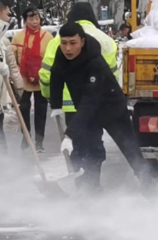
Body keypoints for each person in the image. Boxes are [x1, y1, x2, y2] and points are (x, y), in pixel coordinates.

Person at [50, 23, 151, 193]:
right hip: (88, 110)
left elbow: (91, 100)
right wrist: (56, 105)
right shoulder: (62, 54)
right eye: (64, 42)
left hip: (112, 110)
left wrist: (70, 133)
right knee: (90, 150)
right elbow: (56, 76)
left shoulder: (95, 62)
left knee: (130, 149)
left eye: (73, 43)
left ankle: (150, 188)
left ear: (82, 41)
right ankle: (91, 190)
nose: (68, 48)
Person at [39, 2, 119, 126]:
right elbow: (113, 74)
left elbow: (46, 72)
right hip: (97, 101)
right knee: (94, 139)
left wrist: (50, 95)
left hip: (70, 103)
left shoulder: (60, 40)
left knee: (75, 139)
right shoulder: (107, 40)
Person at [12, 8, 53, 152]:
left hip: (41, 79)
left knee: (41, 111)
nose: (35, 22)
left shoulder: (47, 37)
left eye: (37, 18)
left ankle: (39, 140)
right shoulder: (18, 37)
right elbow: (13, 58)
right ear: (25, 21)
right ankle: (26, 136)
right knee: (23, 109)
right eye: (31, 19)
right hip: (23, 80)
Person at [0, 0, 23, 152]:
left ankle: (3, 173)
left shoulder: (2, 41)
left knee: (0, 144)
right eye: (7, 14)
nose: (9, 18)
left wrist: (20, 89)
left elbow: (12, 67)